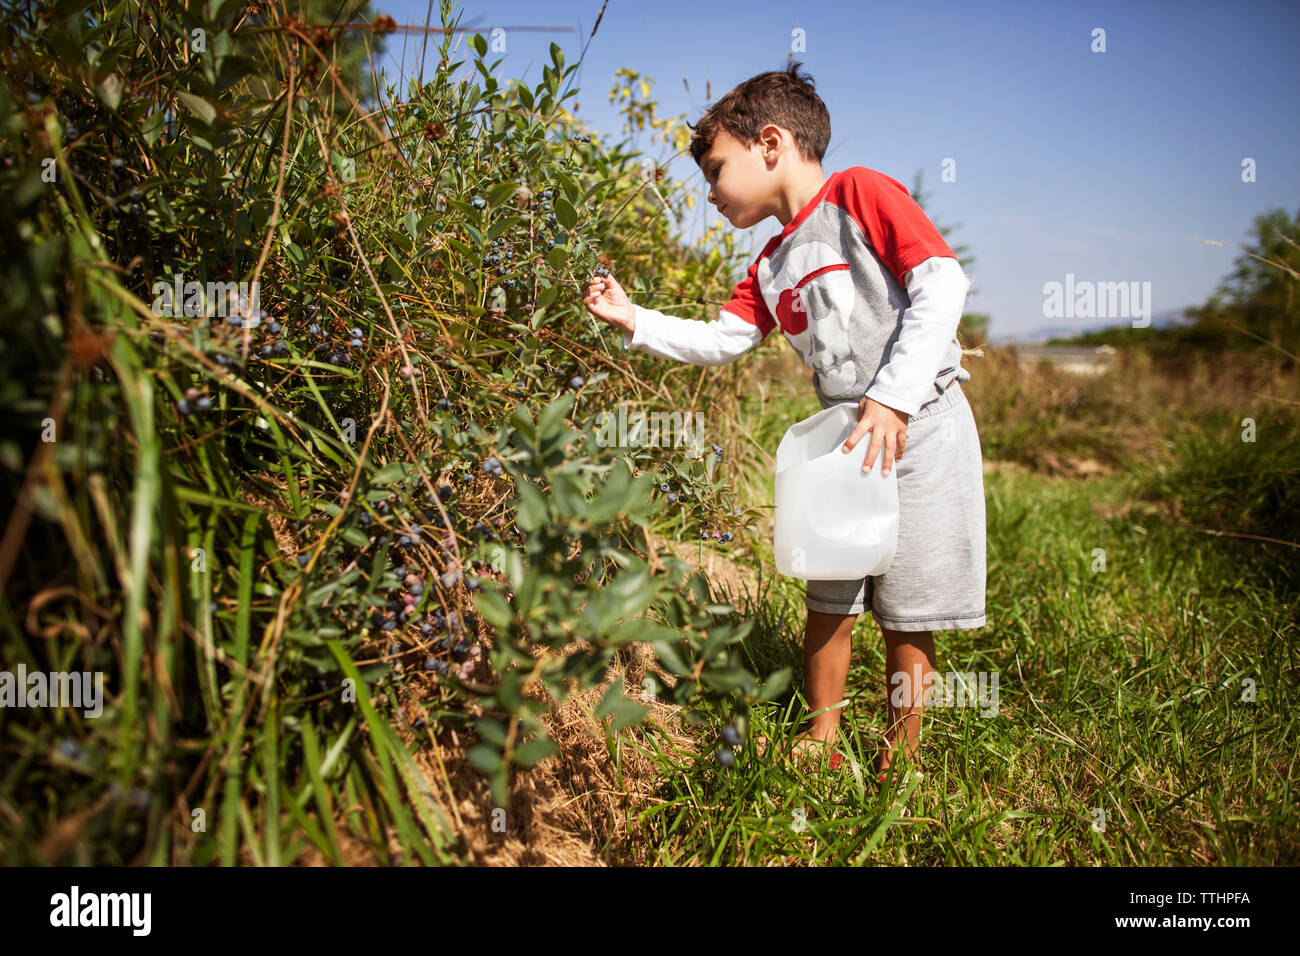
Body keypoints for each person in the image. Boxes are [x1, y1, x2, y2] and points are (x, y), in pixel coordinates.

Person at [582, 62, 986, 785]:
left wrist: (891, 397)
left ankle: (901, 753)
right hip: (846, 440)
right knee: (830, 592)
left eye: (715, 170)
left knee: (906, 608)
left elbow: (942, 282)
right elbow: (722, 340)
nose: (710, 194)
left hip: (918, 422)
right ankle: (821, 735)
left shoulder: (858, 193)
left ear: (770, 142)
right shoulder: (769, 264)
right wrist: (634, 318)